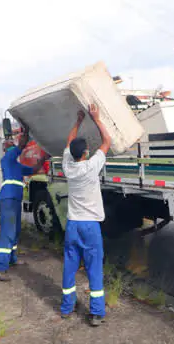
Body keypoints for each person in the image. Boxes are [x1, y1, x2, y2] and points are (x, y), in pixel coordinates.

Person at [60, 103, 111, 327]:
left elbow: (69, 143)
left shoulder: (68, 166)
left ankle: (66, 307)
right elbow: (107, 142)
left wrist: (79, 121)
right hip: (90, 226)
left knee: (70, 266)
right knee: (94, 268)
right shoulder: (91, 167)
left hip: (72, 225)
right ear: (85, 153)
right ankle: (96, 313)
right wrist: (96, 118)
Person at [0, 127, 49, 282]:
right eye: (8, 144)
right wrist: (24, 137)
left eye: (12, 143)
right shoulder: (7, 159)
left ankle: (13, 259)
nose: (10, 144)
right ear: (5, 149)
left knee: (16, 230)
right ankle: (1, 267)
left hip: (15, 200)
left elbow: (34, 169)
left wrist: (44, 158)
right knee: (8, 232)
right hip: (8, 200)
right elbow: (19, 148)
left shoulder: (17, 166)